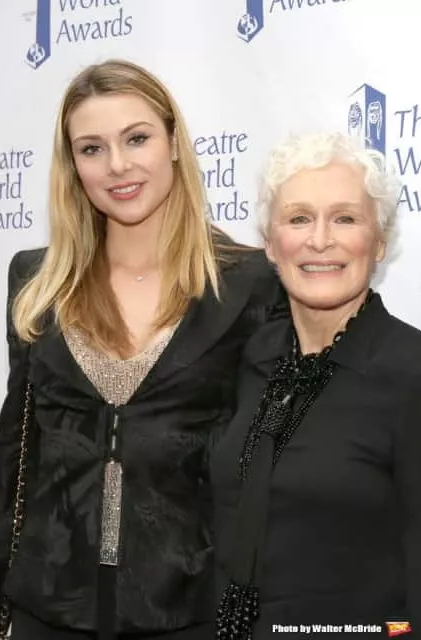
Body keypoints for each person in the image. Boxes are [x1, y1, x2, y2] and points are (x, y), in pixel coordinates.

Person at [0, 59, 281, 640]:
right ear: (73, 165)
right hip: (49, 607)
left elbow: (265, 464)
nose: (117, 165)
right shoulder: (37, 281)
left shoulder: (250, 283)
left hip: (189, 608)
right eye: (91, 149)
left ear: (173, 142)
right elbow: (16, 453)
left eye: (137, 138)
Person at [211, 133, 421, 639]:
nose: (320, 240)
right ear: (270, 243)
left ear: (379, 241)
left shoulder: (411, 373)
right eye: (299, 218)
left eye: (345, 218)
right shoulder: (250, 358)